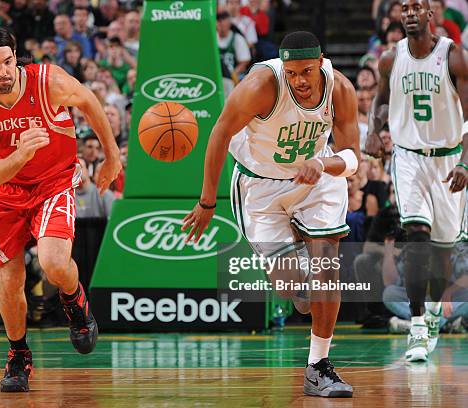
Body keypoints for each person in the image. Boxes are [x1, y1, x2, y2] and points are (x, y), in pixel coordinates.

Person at [182, 31, 360, 398]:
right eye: (292, 72)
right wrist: (206, 202)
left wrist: (323, 163)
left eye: (307, 71)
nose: (299, 80)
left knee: (327, 268)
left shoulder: (340, 89)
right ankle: (296, 253)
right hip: (260, 185)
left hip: (315, 177)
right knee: (294, 290)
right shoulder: (261, 85)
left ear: (322, 62)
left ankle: (318, 367)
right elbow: (218, 134)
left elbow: (354, 157)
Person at [0, 26, 121, 393]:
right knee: (10, 278)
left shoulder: (48, 81)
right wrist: (21, 153)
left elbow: (90, 101)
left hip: (52, 182)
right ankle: (19, 355)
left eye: (9, 61)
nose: (3, 71)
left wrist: (111, 155)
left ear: (17, 58)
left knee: (54, 264)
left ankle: (75, 301)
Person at [366, 0, 467, 362]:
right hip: (408, 158)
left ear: (430, 15)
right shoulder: (390, 59)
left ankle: (436, 312)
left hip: (449, 161)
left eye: (416, 7)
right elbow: (380, 101)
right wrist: (374, 131)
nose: (408, 12)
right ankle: (418, 326)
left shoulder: (454, 57)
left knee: (442, 256)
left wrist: (466, 165)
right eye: (403, 7)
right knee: (416, 235)